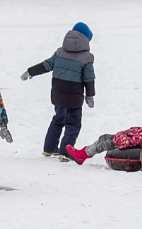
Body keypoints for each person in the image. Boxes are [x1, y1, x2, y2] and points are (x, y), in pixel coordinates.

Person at [20, 22, 96, 161]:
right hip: (74, 95)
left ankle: (49, 148)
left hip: (58, 93)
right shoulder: (87, 57)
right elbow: (89, 78)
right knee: (73, 123)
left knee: (58, 119)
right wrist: (90, 95)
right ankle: (66, 152)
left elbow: (46, 65)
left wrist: (30, 72)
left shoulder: (59, 52)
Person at [65, 123, 142, 171]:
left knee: (103, 143)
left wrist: (117, 139)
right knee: (103, 137)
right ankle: (83, 152)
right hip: (124, 136)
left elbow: (124, 141)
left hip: (121, 140)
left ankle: (82, 155)